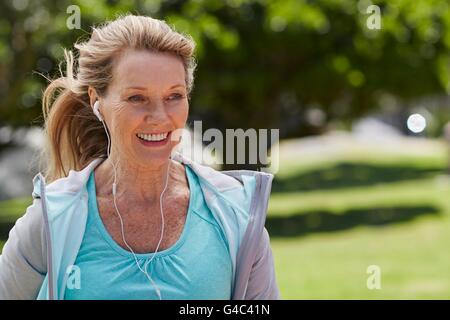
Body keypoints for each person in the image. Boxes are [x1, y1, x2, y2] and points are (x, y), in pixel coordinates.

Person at [0, 14, 279, 300]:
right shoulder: (52, 219)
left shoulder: (236, 213)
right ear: (98, 102)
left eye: (174, 96)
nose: (159, 118)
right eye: (136, 98)